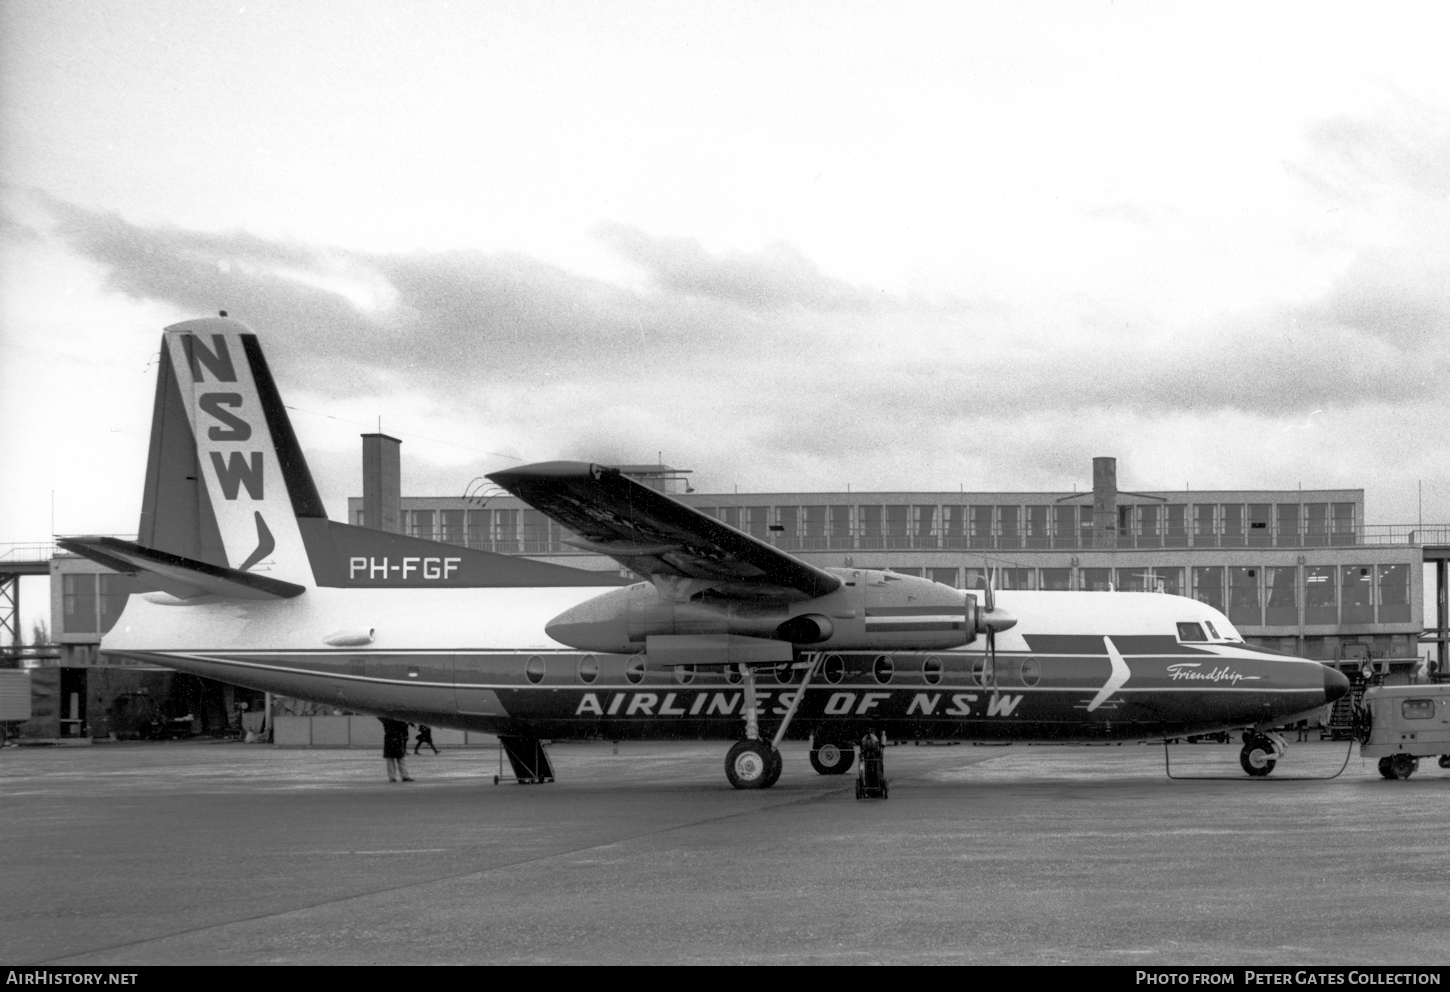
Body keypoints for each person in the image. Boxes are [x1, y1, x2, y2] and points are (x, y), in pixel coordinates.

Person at [380, 718, 413, 782]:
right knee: (400, 759)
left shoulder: (386, 721)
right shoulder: (400, 721)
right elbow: (403, 728)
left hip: (389, 740)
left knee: (391, 760)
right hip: (397, 740)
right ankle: (404, 776)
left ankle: (392, 777)